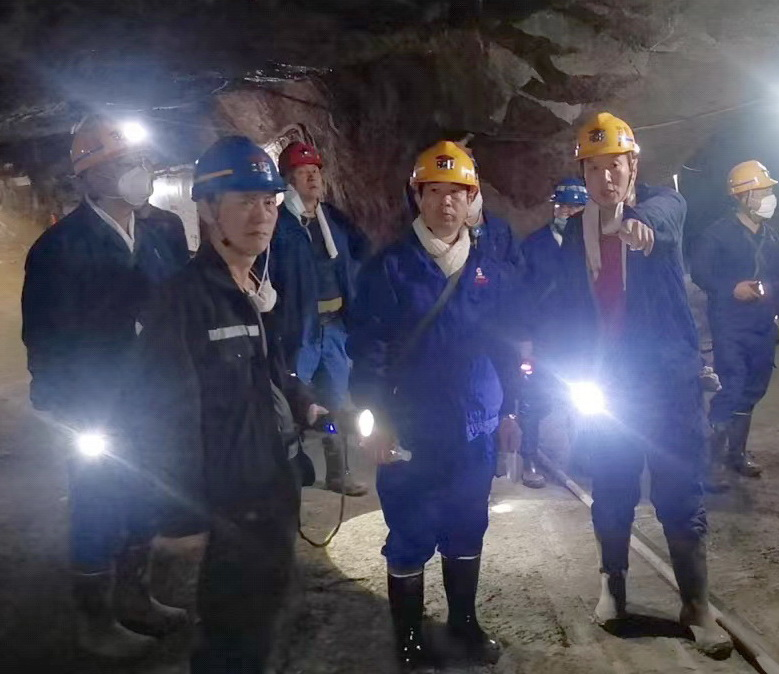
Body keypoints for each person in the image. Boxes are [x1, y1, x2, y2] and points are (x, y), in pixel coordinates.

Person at [528, 112, 732, 657]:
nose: (606, 179)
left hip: (669, 386)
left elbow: (662, 220)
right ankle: (612, 587)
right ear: (583, 173)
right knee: (612, 489)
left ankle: (696, 604)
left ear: (633, 166)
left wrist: (640, 227)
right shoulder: (576, 233)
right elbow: (566, 307)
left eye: (614, 166)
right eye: (594, 169)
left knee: (679, 494)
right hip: (609, 385)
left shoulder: (664, 205)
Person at [122, 136, 326, 673]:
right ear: (209, 210)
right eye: (244, 202)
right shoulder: (183, 301)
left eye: (269, 202)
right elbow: (161, 415)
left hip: (272, 484)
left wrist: (305, 403)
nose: (262, 215)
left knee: (268, 616)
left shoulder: (256, 287)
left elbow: (272, 371)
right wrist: (182, 516)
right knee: (232, 633)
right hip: (229, 500)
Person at [348, 140, 522, 670]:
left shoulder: (490, 269)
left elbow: (506, 347)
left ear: (472, 200)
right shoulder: (389, 268)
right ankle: (408, 639)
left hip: (475, 426)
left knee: (467, 524)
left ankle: (463, 625)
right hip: (411, 429)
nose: (447, 203)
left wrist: (512, 411)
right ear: (417, 197)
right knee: (411, 530)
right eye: (435, 192)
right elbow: (369, 350)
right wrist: (375, 419)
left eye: (458, 193)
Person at [21, 115, 189, 660]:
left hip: (151, 400)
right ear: (88, 178)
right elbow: (45, 338)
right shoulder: (59, 249)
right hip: (96, 405)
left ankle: (136, 597)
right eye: (119, 163)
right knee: (97, 504)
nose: (135, 170)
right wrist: (62, 409)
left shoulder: (160, 235)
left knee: (145, 495)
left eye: (136, 160)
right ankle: (94, 620)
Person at [270, 141, 368, 496]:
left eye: (316, 171)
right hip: (299, 330)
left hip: (334, 327)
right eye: (303, 172)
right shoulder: (279, 224)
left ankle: (338, 472)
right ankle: (289, 473)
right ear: (288, 180)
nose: (313, 177)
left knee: (336, 402)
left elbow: (360, 250)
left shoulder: (333, 218)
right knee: (294, 402)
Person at [690, 160, 779, 479]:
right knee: (731, 386)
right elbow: (701, 272)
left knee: (753, 389)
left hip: (762, 325)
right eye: (763, 191)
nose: (769, 197)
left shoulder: (771, 237)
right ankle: (710, 465)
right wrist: (731, 288)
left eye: (770, 190)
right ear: (743, 196)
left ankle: (737, 455)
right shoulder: (717, 235)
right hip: (730, 324)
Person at [517, 177, 590, 488]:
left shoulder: (594, 244)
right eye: (563, 206)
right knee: (534, 400)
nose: (568, 212)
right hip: (543, 338)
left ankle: (583, 455)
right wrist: (524, 339)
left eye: (576, 207)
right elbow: (520, 294)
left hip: (581, 339)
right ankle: (529, 457)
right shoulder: (534, 246)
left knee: (585, 400)